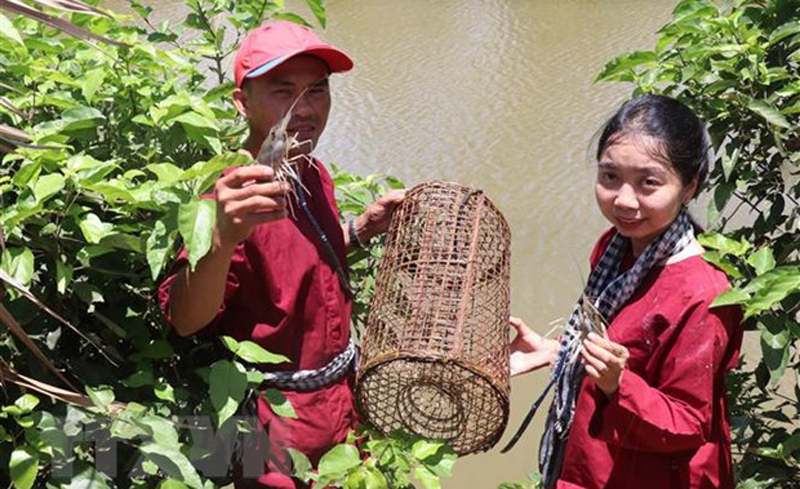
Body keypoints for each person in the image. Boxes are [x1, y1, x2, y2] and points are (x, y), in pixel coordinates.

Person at [158, 20, 404, 488]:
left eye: (317, 90)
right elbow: (186, 320)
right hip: (276, 424)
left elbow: (300, 270)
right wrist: (224, 237)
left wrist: (361, 229)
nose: (305, 110)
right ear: (241, 102)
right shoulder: (230, 198)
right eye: (282, 91)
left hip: (342, 404)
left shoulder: (312, 174)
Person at [507, 94, 744, 489]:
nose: (624, 200)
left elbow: (689, 421)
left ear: (689, 188)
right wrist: (559, 352)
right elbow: (625, 351)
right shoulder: (613, 247)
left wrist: (619, 384)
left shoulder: (702, 294)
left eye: (649, 183)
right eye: (610, 176)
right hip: (593, 460)